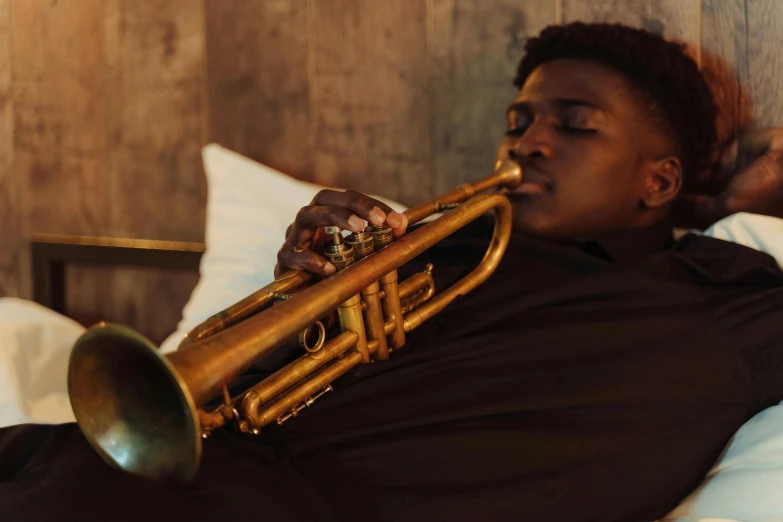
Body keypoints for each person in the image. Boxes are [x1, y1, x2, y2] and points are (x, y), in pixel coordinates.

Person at [1, 22, 782, 522]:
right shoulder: (435, 247)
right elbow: (204, 409)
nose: (526, 143)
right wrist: (299, 293)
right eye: (518, 123)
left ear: (659, 182)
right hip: (157, 473)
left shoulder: (713, 302)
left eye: (574, 125)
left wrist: (742, 208)